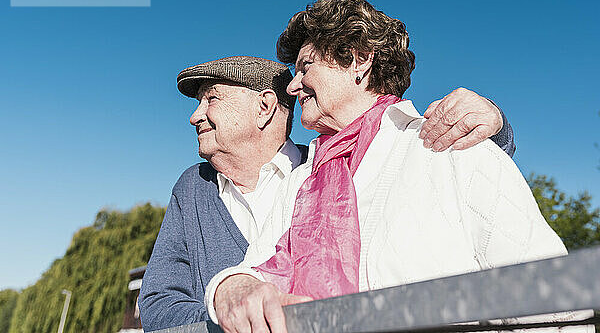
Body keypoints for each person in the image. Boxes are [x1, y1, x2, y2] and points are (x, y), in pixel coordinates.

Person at [205, 0, 580, 333]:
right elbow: (254, 269)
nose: (293, 85)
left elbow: (560, 309)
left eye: (305, 67)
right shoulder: (300, 180)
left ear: (357, 59)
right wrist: (229, 287)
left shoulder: (452, 147)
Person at [138, 55, 515, 331]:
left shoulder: (325, 170)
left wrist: (493, 126)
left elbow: (441, 172)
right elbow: (157, 301)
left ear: (265, 108)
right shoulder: (193, 187)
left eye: (211, 98)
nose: (195, 115)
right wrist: (237, 316)